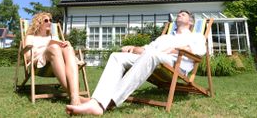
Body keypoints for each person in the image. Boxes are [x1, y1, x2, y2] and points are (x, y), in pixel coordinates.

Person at [66, 10, 206, 115]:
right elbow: (146, 49)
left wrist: (177, 49)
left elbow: (200, 51)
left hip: (176, 65)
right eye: (179, 14)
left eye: (183, 14)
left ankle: (105, 102)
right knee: (117, 56)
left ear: (191, 22)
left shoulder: (196, 36)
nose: (179, 15)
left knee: (151, 54)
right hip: (154, 59)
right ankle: (97, 100)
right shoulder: (165, 38)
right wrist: (133, 48)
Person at [25, 12, 83, 105]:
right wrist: (45, 48)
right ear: (38, 23)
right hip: (39, 62)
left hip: (57, 61)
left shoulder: (54, 37)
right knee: (54, 47)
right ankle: (76, 97)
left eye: (50, 20)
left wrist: (67, 44)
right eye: (46, 20)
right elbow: (27, 56)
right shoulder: (30, 37)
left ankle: (75, 98)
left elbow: (63, 50)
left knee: (69, 48)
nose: (49, 22)